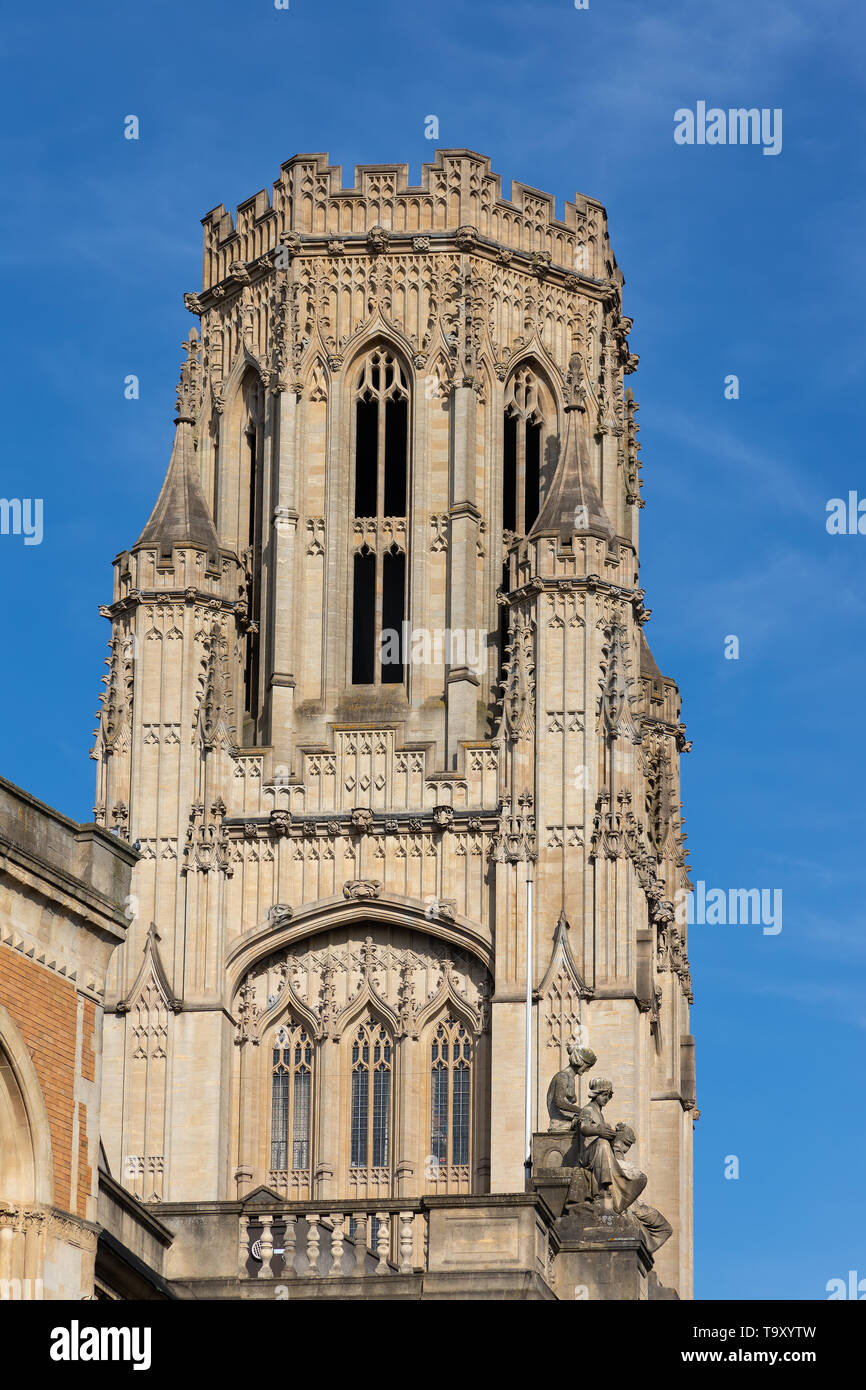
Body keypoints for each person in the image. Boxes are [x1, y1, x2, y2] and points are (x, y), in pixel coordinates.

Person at [546, 1044, 597, 1131]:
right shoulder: (563, 1076)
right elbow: (559, 1101)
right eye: (587, 1066)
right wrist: (581, 1110)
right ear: (579, 1062)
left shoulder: (570, 1077)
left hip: (568, 1120)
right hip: (560, 1124)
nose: (587, 1070)